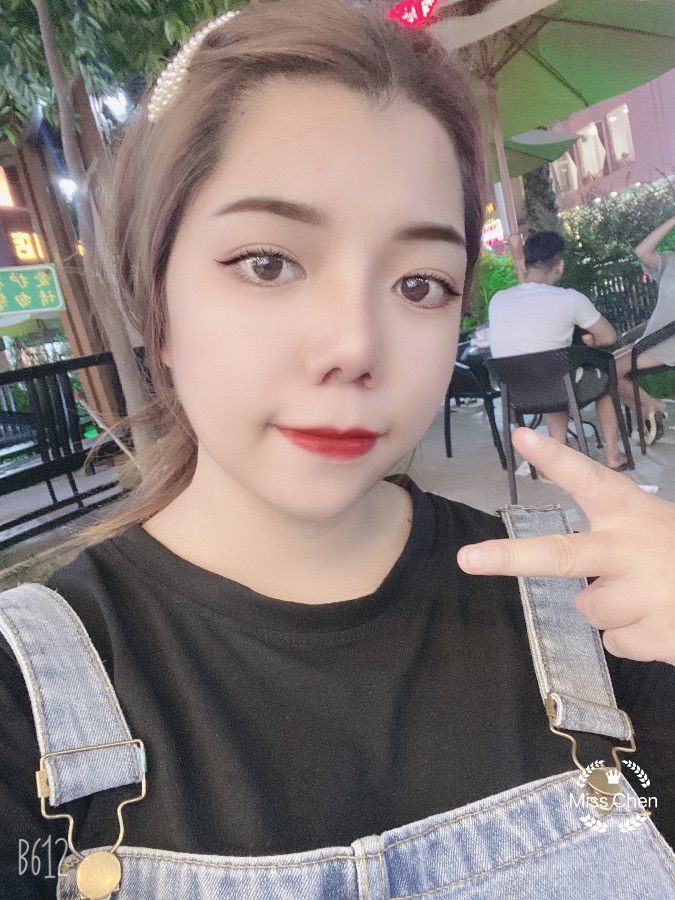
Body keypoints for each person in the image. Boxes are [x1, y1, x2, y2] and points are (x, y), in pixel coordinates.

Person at [0, 2, 673, 898]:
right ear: (153, 303)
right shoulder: (25, 696)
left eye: (419, 284)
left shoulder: (604, 606)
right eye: (268, 263)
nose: (355, 346)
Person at [488, 231, 630, 471]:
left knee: (554, 372)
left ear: (525, 265)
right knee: (604, 379)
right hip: (556, 385)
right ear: (560, 265)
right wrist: (590, 341)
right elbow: (609, 337)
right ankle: (613, 454)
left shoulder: (498, 300)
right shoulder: (570, 299)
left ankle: (558, 450)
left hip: (514, 393)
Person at [613, 216, 675, 444]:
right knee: (603, 369)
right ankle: (649, 410)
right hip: (652, 339)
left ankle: (651, 408)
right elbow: (642, 251)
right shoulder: (671, 261)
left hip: (668, 342)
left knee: (608, 371)